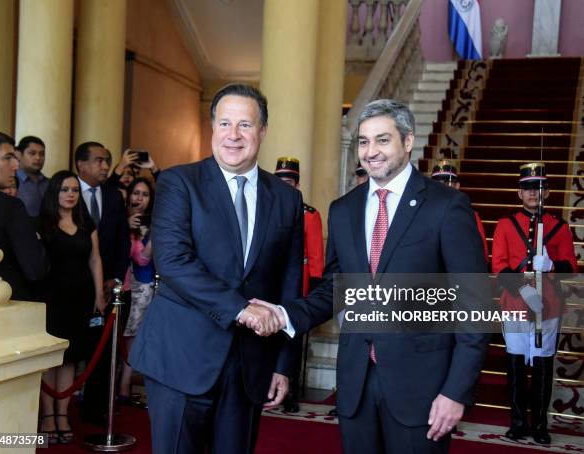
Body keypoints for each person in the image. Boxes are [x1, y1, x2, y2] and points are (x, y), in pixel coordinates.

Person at [249, 99, 489, 454]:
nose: (370, 151)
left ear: (407, 142)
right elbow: (334, 290)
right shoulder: (343, 210)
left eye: (382, 140)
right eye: (363, 141)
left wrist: (456, 391)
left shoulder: (446, 206)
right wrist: (284, 315)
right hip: (356, 385)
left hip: (422, 388)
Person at [129, 84, 303, 454]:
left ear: (263, 131)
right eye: (225, 123)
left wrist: (284, 364)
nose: (233, 135)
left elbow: (289, 285)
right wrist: (241, 309)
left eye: (245, 124)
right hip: (181, 358)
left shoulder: (287, 198)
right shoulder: (179, 182)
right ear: (212, 128)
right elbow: (174, 263)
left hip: (250, 367)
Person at [492, 163, 577, 444]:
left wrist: (551, 265)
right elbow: (499, 267)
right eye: (528, 188)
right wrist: (523, 290)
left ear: (548, 192)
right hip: (515, 303)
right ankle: (518, 422)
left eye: (539, 188)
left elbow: (571, 268)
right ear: (519, 193)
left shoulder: (560, 227)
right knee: (515, 364)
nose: (533, 193)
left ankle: (540, 425)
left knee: (542, 365)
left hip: (548, 305)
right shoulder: (506, 224)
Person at [38, 170, 105, 444]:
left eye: (74, 190)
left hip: (80, 298)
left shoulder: (87, 224)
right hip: (50, 299)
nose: (70, 194)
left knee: (70, 356)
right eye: (64, 189)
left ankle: (63, 414)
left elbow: (95, 260)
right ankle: (47, 416)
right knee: (49, 359)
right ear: (54, 192)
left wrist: (99, 295)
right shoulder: (41, 224)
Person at [75, 141, 130, 424]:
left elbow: (123, 241)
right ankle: (57, 413)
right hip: (74, 286)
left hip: (108, 287)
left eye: (107, 160)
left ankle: (97, 410)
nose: (106, 166)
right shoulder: (69, 192)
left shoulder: (113, 196)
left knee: (103, 349)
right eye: (99, 160)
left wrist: (116, 277)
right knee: (73, 350)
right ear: (81, 165)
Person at [274, 156, 324, 412]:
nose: (285, 185)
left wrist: (313, 294)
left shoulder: (309, 215)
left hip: (297, 286)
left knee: (291, 340)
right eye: (281, 180)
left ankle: (290, 390)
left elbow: (315, 255)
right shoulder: (266, 209)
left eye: (289, 181)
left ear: (297, 184)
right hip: (269, 285)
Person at [0, 131, 49, 301]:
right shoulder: (10, 207)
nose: (15, 166)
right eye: (8, 157)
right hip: (6, 306)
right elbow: (36, 269)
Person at [118, 177, 155, 402]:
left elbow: (143, 260)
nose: (139, 198)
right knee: (114, 336)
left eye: (144, 194)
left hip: (142, 285)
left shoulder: (153, 225)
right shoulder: (120, 219)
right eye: (135, 193)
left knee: (132, 337)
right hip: (118, 284)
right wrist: (125, 227)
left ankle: (124, 385)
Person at [430, 160, 489, 261]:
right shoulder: (422, 214)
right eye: (436, 183)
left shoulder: (470, 216)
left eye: (447, 182)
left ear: (457, 186)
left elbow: (482, 254)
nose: (441, 187)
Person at [16, 135, 49, 217]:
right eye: (32, 153)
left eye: (42, 154)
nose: (38, 158)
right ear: (19, 155)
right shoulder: (11, 182)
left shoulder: (50, 183)